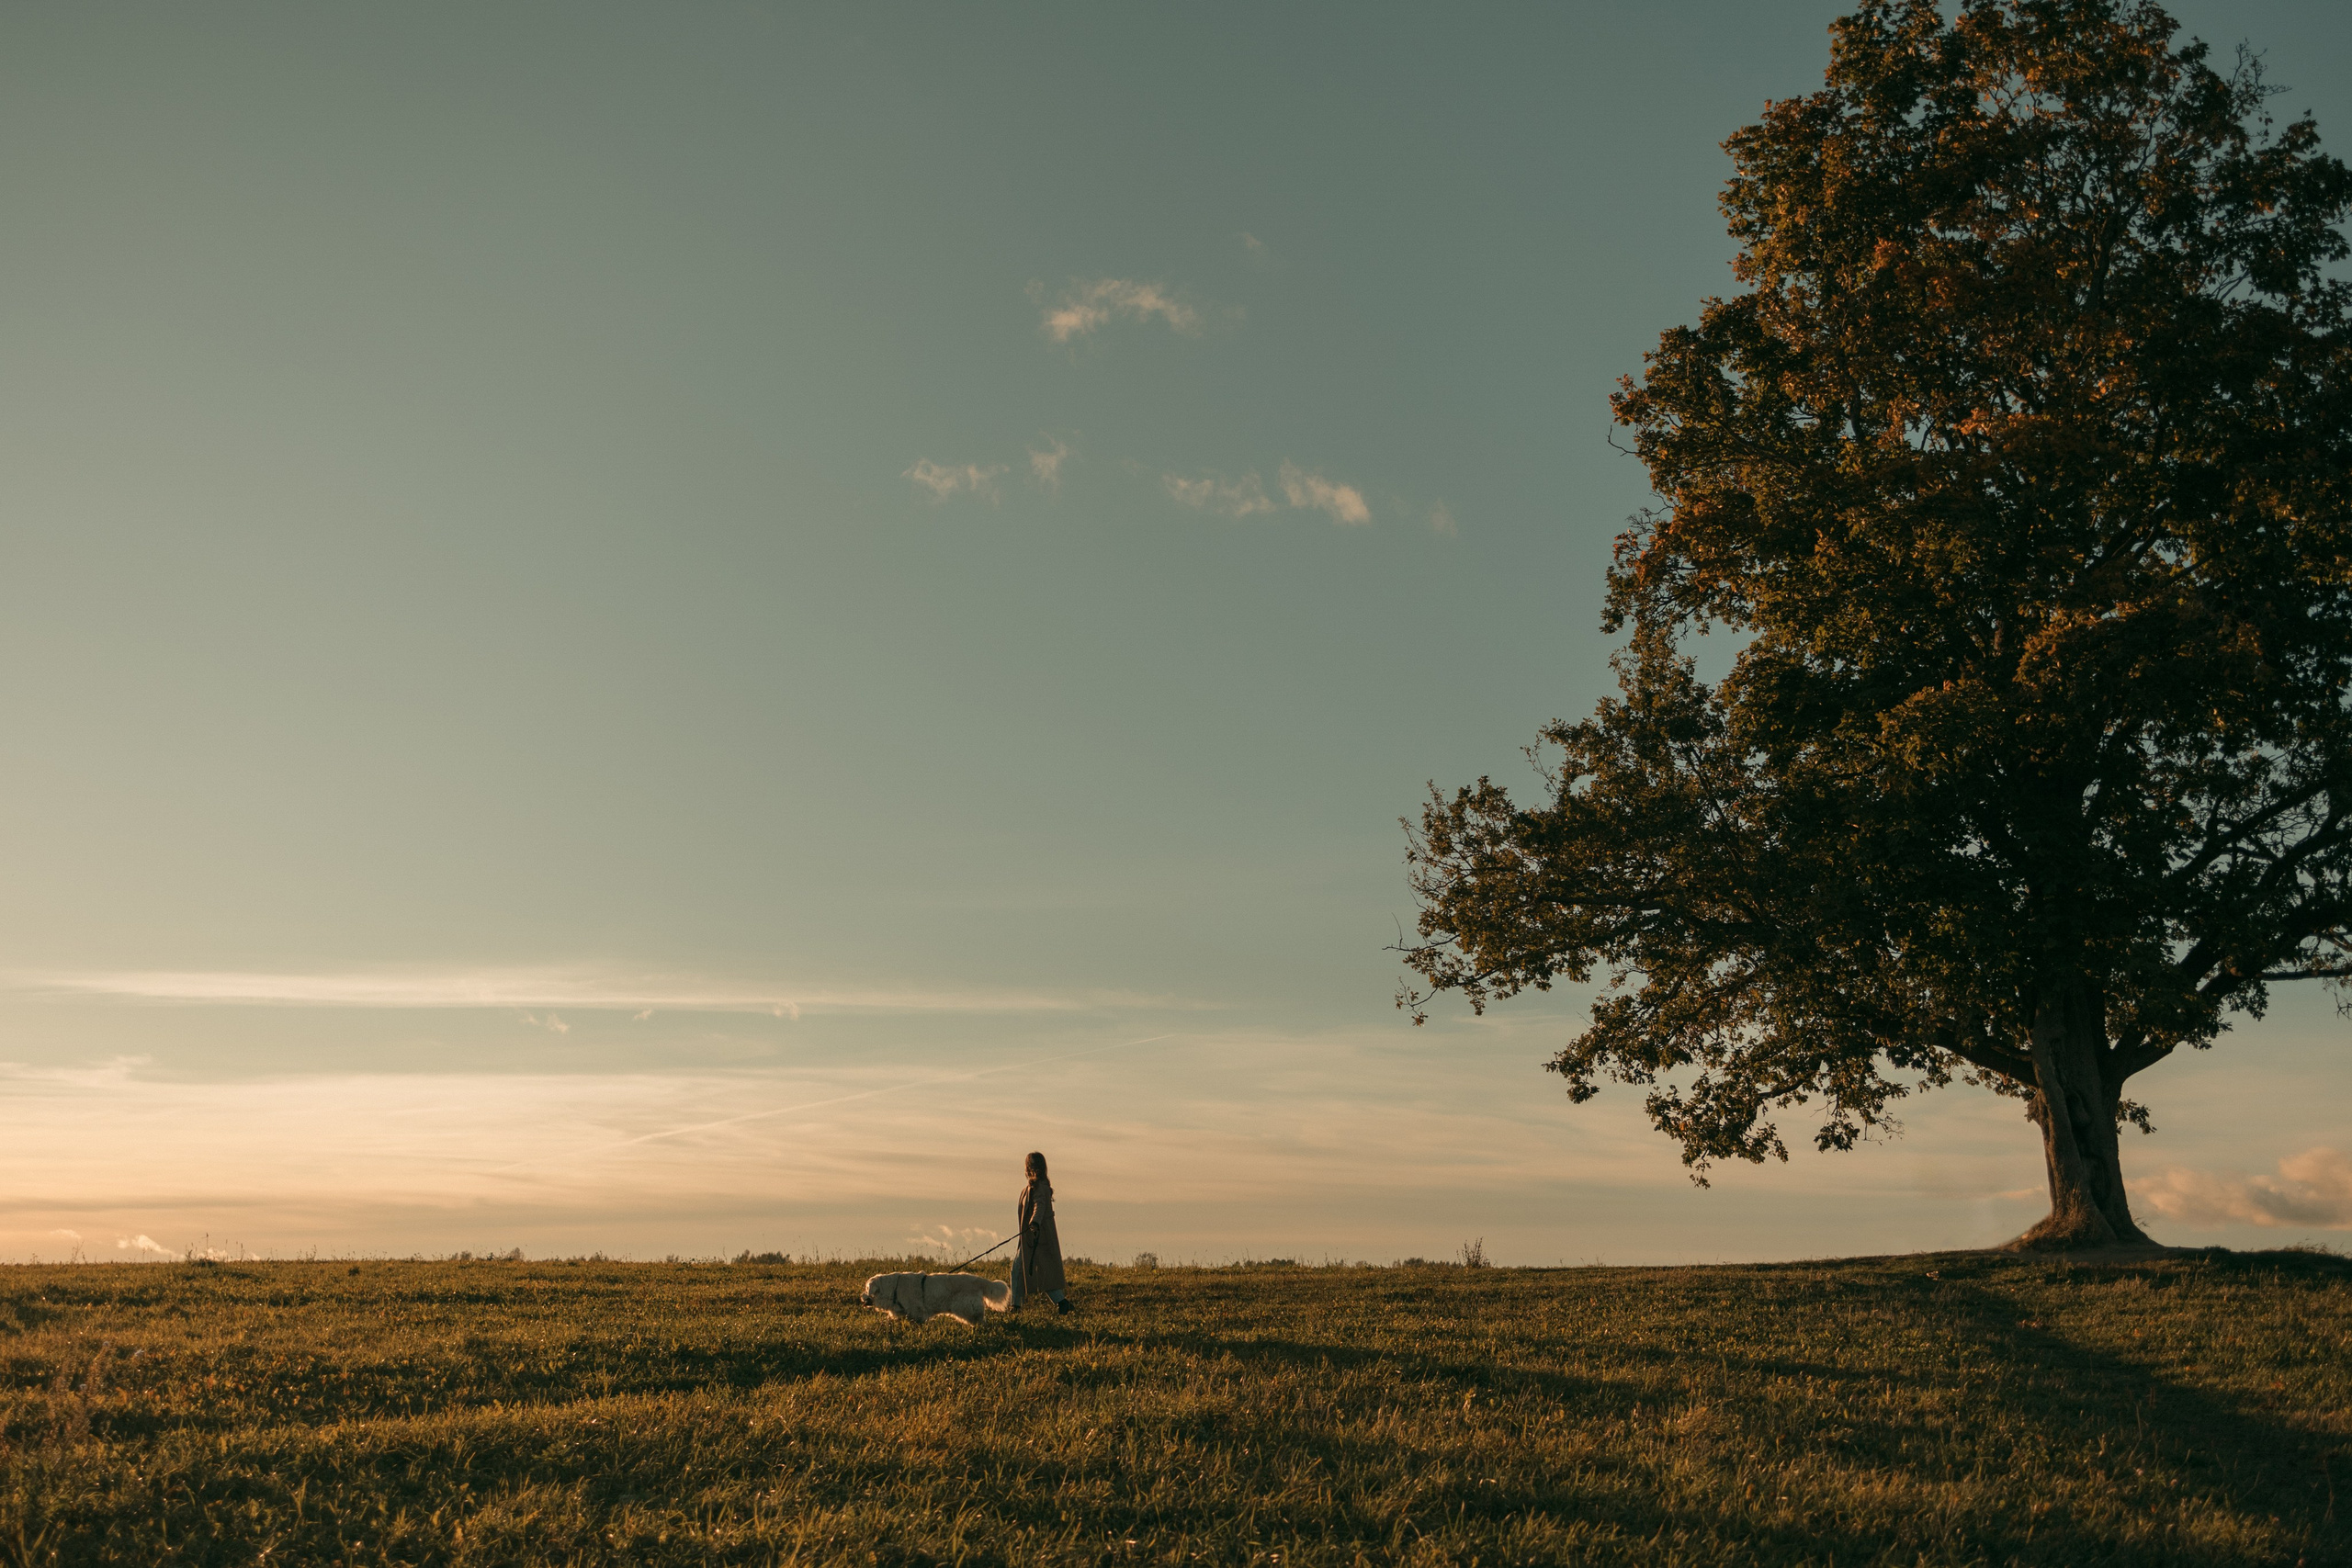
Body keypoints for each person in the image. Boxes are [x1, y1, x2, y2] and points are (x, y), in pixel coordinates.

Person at [1011, 1150, 1072, 1314]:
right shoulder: (1032, 1188)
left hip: (1036, 1237)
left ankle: (1015, 1306)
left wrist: (1034, 1223)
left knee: (1018, 1269)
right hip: (1032, 1236)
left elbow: (1039, 1206)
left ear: (1029, 1168)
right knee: (1040, 1272)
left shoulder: (1038, 1188)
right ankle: (1062, 1302)